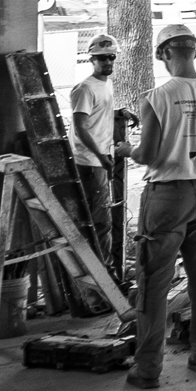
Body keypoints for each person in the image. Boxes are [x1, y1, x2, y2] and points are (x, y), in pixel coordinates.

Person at [127, 22, 196, 389]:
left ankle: (147, 370)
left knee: (154, 284)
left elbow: (147, 153)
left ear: (163, 54)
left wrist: (122, 149)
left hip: (166, 198)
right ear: (194, 53)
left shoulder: (157, 97)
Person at [65, 33, 126, 260]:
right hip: (90, 162)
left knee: (102, 218)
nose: (108, 62)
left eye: (111, 57)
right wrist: (100, 156)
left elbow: (95, 115)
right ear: (92, 60)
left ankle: (102, 269)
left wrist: (118, 113)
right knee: (99, 221)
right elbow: (81, 127)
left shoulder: (105, 84)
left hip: (99, 160)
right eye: (102, 58)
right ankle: (102, 272)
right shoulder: (85, 88)